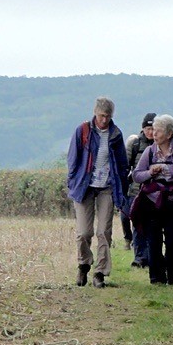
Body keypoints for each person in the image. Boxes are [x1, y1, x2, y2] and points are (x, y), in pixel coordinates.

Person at [67, 97, 129, 288]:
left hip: (107, 187)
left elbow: (122, 164)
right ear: (95, 113)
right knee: (84, 232)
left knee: (104, 231)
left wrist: (122, 189)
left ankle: (100, 272)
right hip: (85, 186)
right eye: (102, 116)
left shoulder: (116, 134)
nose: (104, 120)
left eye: (108, 116)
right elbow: (73, 160)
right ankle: (84, 264)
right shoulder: (83, 131)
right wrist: (72, 182)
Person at [131, 114, 173, 285]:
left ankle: (171, 272)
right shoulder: (149, 152)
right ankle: (156, 276)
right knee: (153, 240)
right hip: (152, 202)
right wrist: (150, 173)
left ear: (169, 134)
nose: (154, 134)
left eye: (159, 131)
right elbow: (137, 176)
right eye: (154, 130)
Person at [124, 112, 156, 268]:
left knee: (153, 226)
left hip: (156, 193)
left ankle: (152, 256)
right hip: (136, 192)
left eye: (153, 128)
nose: (150, 132)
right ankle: (139, 257)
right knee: (137, 225)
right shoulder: (135, 145)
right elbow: (125, 166)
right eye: (147, 128)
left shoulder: (161, 145)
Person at [118, 133, 140, 252]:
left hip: (136, 190)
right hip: (127, 190)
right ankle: (128, 238)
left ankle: (136, 243)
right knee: (124, 216)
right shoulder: (128, 153)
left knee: (136, 217)